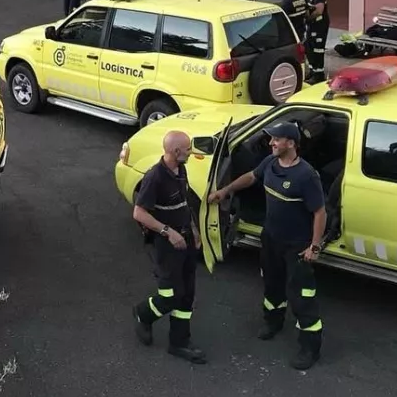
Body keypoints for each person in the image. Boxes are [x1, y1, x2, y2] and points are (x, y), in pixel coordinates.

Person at [209, 122, 326, 370]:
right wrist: (226, 190)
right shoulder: (270, 164)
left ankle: (310, 348)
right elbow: (251, 177)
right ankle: (273, 321)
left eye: (277, 139)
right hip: (271, 239)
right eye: (271, 139)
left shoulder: (306, 175)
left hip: (297, 246)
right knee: (272, 284)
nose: (271, 143)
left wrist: (314, 247)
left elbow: (319, 212)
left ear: (291, 144)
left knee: (302, 296)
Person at [131, 130, 206, 364]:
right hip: (167, 246)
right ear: (175, 152)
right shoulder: (155, 177)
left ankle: (179, 342)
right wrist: (168, 232)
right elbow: (139, 213)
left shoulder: (180, 169)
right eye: (187, 149)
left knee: (186, 294)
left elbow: (183, 203)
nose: (191, 152)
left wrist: (193, 229)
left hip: (185, 241)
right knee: (170, 295)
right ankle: (143, 314)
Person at [300, 0, 329, 84]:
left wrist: (307, 18)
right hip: (311, 25)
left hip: (320, 26)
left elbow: (319, 11)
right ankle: (312, 71)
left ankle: (319, 75)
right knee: (309, 48)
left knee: (318, 50)